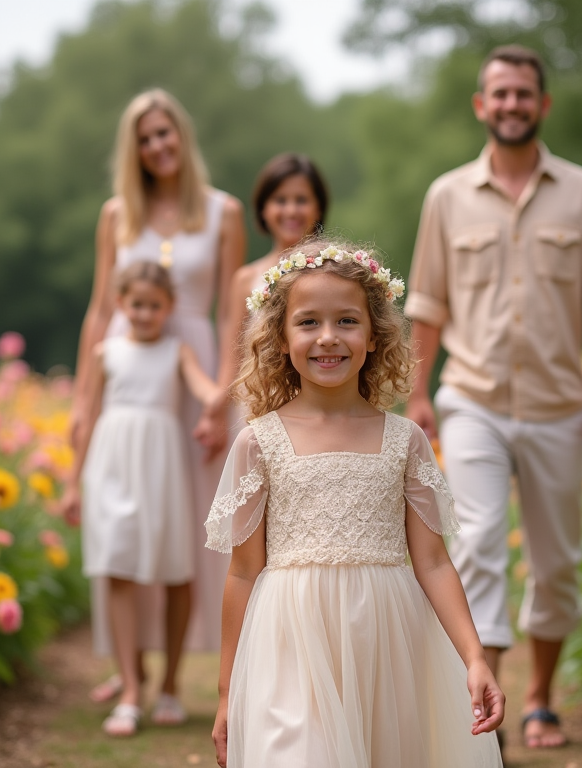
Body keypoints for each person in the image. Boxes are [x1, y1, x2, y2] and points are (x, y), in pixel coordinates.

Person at [404, 45, 582, 749]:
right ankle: (489, 706)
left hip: (560, 401)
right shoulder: (446, 195)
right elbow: (428, 301)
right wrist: (417, 391)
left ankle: (540, 697)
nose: (510, 105)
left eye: (522, 94)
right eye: (498, 94)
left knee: (557, 557)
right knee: (475, 542)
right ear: (481, 105)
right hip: (471, 397)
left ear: (543, 104)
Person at [205, 239, 505, 768]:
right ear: (279, 337)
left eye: (346, 321)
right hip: (292, 640)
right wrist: (228, 692)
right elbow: (243, 573)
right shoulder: (259, 442)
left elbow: (433, 562)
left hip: (385, 641)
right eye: (308, 322)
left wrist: (474, 657)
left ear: (374, 336)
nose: (328, 338)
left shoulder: (405, 439)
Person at [69, 88, 246, 703]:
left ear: (182, 136)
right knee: (124, 518)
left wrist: (221, 396)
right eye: (145, 139)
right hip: (127, 378)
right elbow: (98, 310)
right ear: (134, 150)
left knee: (187, 528)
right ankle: (128, 670)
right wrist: (81, 400)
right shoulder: (117, 214)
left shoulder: (223, 212)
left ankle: (176, 675)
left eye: (165, 134)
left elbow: (231, 311)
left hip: (194, 381)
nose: (157, 146)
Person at [62, 262, 223, 736]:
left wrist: (229, 394)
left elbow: (206, 389)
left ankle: (169, 685)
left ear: (169, 307)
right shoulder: (104, 352)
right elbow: (86, 418)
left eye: (155, 305)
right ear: (121, 305)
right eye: (137, 304)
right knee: (116, 565)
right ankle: (131, 689)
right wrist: (72, 482)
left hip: (161, 465)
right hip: (111, 462)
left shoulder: (179, 351)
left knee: (176, 569)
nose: (145, 313)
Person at [227, 153, 329, 333]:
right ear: (263, 209)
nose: (291, 211)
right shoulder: (245, 279)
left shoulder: (338, 270)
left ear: (319, 208)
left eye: (301, 200)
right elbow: (232, 359)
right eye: (280, 200)